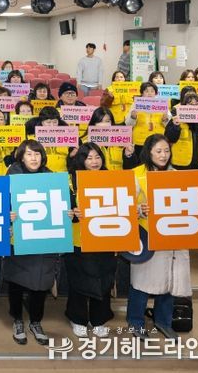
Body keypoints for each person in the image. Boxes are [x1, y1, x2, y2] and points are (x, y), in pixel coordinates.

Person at [5, 139, 70, 346]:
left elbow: (65, 204)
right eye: (29, 154)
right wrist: (7, 214)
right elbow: (1, 203)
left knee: (41, 283)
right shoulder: (11, 177)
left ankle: (36, 322)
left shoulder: (52, 178)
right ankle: (17, 320)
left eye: (37, 154)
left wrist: (68, 213)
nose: (34, 158)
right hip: (19, 237)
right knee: (16, 281)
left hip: (44, 239)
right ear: (21, 157)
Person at [127, 134, 191, 341]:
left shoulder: (176, 174)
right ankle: (135, 321)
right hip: (147, 236)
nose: (163, 155)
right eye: (158, 151)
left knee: (170, 279)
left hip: (173, 235)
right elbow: (124, 205)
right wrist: (139, 209)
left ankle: (163, 321)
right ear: (149, 152)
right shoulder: (136, 174)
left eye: (166, 151)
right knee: (142, 282)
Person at [65, 143, 116, 338]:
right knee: (79, 280)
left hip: (106, 236)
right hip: (79, 238)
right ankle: (77, 318)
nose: (94, 162)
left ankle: (99, 319)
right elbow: (64, 208)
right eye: (89, 158)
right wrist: (73, 213)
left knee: (104, 278)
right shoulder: (71, 179)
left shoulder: (111, 178)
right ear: (81, 160)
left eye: (97, 157)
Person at [165, 92, 198, 174]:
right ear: (184, 106)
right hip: (181, 165)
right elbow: (169, 138)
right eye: (190, 103)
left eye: (197, 103)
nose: (194, 106)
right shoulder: (176, 120)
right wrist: (175, 126)